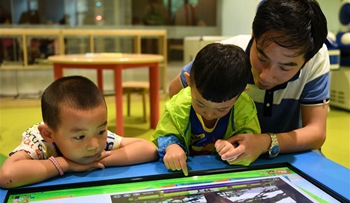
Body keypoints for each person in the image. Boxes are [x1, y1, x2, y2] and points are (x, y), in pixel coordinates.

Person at [168, 0, 330, 166]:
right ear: (253, 35)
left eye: (284, 68)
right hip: (225, 159)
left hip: (288, 156)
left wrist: (265, 142)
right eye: (262, 58)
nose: (266, 76)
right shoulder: (226, 56)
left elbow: (316, 133)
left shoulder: (316, 60)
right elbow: (175, 90)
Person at [0, 76, 158, 189]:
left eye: (101, 131)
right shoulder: (40, 142)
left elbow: (148, 149)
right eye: (79, 137)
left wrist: (97, 161)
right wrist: (66, 164)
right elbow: (8, 176)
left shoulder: (93, 133)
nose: (93, 145)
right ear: (49, 134)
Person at [151, 43, 261, 176]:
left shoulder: (244, 108)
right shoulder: (178, 105)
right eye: (200, 104)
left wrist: (236, 148)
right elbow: (165, 134)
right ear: (189, 82)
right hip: (187, 171)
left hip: (225, 174)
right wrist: (171, 147)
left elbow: (250, 140)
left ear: (241, 94)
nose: (209, 114)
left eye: (222, 109)